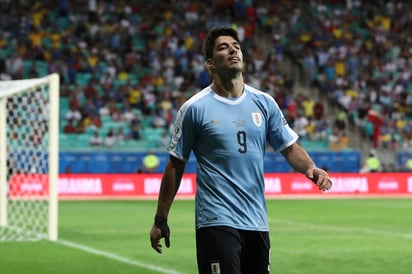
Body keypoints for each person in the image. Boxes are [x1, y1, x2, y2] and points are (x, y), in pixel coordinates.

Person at [149, 26, 333, 274]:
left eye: (236, 45)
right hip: (216, 220)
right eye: (223, 47)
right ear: (211, 64)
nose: (233, 49)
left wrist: (311, 168)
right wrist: (161, 218)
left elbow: (289, 148)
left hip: (256, 220)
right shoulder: (194, 108)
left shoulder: (264, 102)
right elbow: (175, 164)